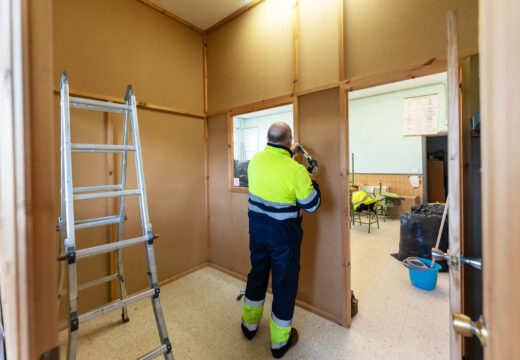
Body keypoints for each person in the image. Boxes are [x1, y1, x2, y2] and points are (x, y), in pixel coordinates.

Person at [241, 122, 321, 358]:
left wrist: (289, 153)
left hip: (257, 232)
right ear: (290, 140)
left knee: (257, 276)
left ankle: (249, 326)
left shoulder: (255, 160)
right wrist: (312, 179)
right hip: (283, 238)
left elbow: (271, 176)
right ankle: (278, 344)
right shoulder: (296, 170)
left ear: (268, 138)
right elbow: (312, 205)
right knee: (283, 287)